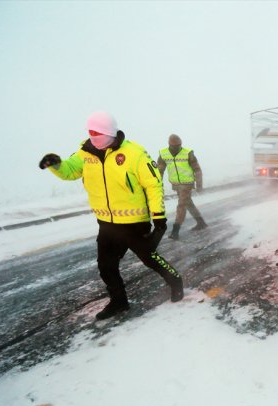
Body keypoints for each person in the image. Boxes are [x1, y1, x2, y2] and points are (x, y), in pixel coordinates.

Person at [39, 111, 184, 320]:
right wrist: (57, 164)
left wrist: (158, 217)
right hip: (106, 223)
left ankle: (175, 281)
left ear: (111, 133)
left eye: (98, 134)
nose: (94, 138)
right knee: (106, 266)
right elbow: (70, 171)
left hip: (134, 223)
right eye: (91, 133)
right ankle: (119, 302)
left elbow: (153, 184)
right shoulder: (85, 152)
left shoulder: (135, 153)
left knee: (149, 259)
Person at [156, 134, 207, 239]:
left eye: (179, 146)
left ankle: (175, 231)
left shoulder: (188, 153)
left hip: (187, 184)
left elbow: (197, 169)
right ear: (169, 145)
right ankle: (201, 222)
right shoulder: (164, 154)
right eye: (174, 146)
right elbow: (159, 170)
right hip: (176, 184)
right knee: (188, 203)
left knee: (181, 205)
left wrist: (199, 185)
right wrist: (157, 184)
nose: (177, 148)